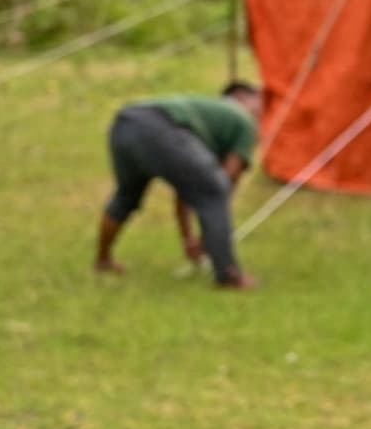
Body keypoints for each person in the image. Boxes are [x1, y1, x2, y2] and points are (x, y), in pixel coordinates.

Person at [94, 83, 262, 289]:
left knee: (126, 197)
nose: (261, 113)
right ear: (244, 99)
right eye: (260, 103)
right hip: (160, 126)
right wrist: (208, 238)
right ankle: (229, 276)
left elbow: (188, 186)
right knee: (215, 190)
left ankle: (102, 260)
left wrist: (188, 238)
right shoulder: (243, 121)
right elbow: (223, 184)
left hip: (124, 124)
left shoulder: (210, 119)